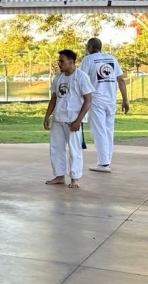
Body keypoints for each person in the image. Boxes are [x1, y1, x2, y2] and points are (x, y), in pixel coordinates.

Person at [44, 50, 95, 189]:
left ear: (71, 61)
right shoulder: (59, 78)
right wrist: (47, 116)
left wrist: (78, 120)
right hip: (58, 118)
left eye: (62, 61)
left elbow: (88, 101)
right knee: (56, 148)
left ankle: (75, 178)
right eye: (59, 60)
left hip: (73, 120)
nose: (59, 63)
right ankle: (59, 176)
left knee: (74, 149)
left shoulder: (81, 77)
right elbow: (54, 98)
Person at [79, 37, 130, 172]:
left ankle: (103, 163)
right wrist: (125, 100)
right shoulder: (112, 58)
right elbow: (120, 80)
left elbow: (80, 79)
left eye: (87, 47)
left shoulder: (88, 60)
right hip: (111, 101)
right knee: (108, 130)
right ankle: (106, 160)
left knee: (99, 131)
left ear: (90, 47)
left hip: (96, 100)